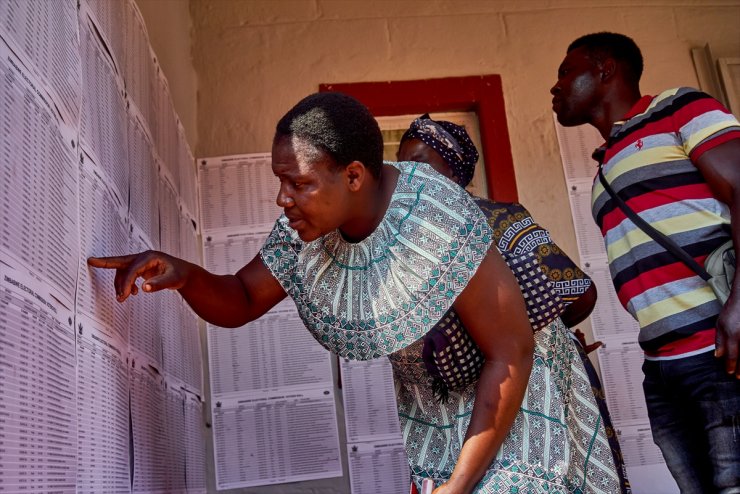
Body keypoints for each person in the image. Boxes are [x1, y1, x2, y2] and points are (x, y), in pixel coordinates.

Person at [89, 92, 621, 493]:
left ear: (354, 176)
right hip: (436, 407)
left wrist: (458, 487)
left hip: (518, 395)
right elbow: (243, 299)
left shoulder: (435, 218)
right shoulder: (304, 234)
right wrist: (184, 274)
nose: (283, 199)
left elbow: (512, 352)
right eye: (281, 181)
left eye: (298, 183)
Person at [397, 114, 630, 493]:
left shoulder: (499, 218)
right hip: (468, 394)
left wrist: (539, 331)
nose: (407, 177)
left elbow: (579, 293)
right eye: (401, 166)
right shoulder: (410, 240)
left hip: (523, 381)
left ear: (453, 171)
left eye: (419, 164)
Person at [551, 31, 740, 492]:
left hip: (718, 351)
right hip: (660, 368)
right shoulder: (604, 172)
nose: (554, 88)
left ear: (604, 69)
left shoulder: (679, 109)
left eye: (565, 73)